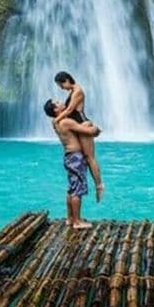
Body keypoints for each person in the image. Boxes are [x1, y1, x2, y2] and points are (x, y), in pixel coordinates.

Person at [44, 98, 101, 230]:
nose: (61, 102)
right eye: (57, 103)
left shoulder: (56, 123)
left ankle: (70, 218)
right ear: (56, 110)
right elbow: (89, 132)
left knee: (71, 188)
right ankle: (77, 221)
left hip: (69, 157)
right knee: (77, 190)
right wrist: (95, 128)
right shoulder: (66, 122)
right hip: (76, 157)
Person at [53, 71, 104, 202]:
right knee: (86, 158)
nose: (61, 88)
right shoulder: (72, 91)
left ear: (66, 80)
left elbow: (70, 110)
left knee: (89, 157)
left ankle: (99, 186)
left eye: (61, 85)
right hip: (78, 126)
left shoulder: (78, 91)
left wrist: (56, 120)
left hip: (82, 124)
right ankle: (95, 186)